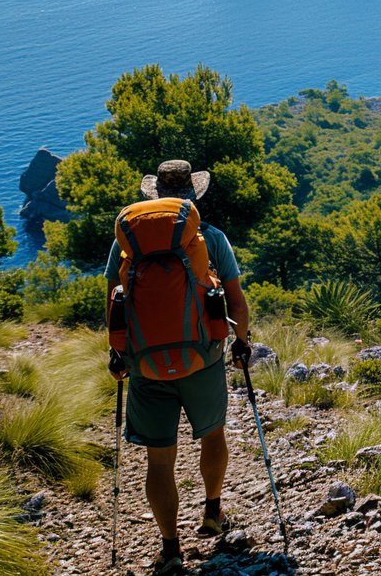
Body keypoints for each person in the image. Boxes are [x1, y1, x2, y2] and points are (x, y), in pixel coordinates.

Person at [106, 159, 252, 574]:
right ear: (194, 193)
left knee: (159, 459)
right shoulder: (212, 237)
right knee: (213, 434)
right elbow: (236, 301)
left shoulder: (127, 243)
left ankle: (171, 549)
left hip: (147, 364)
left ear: (154, 196)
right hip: (201, 358)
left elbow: (115, 299)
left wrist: (117, 352)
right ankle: (212, 512)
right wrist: (241, 342)